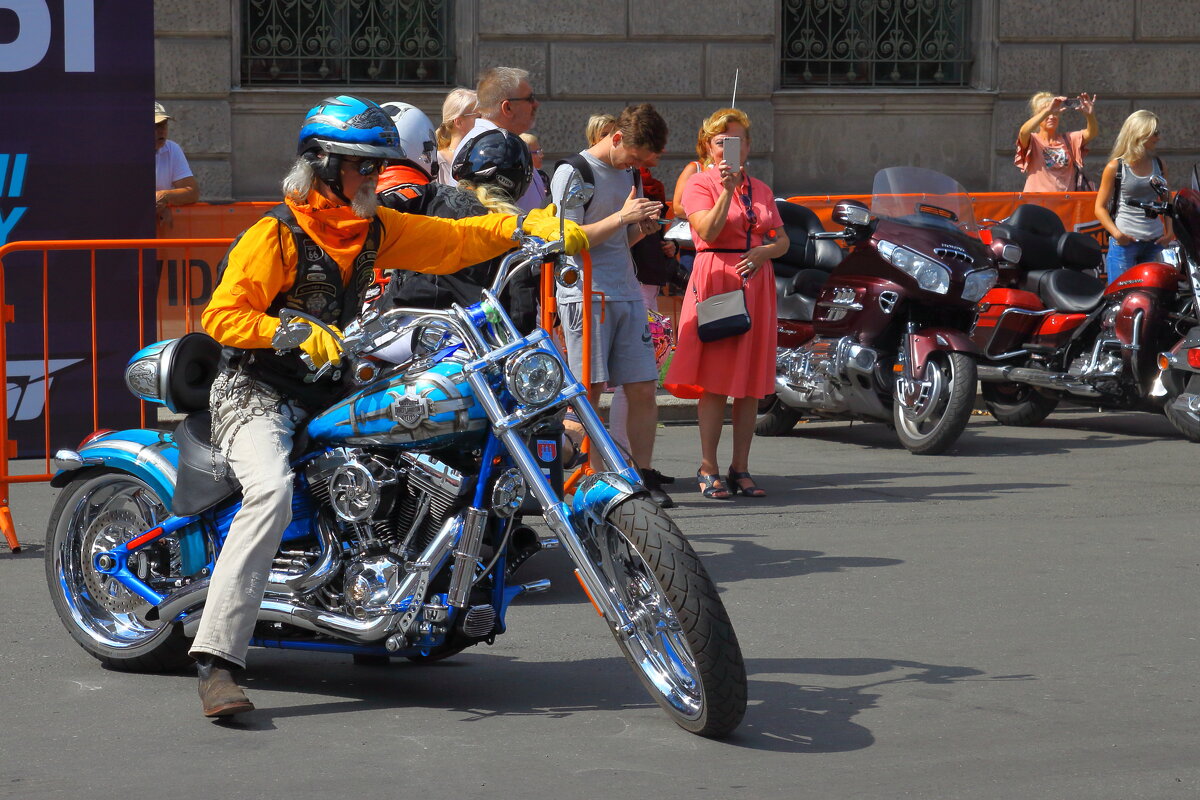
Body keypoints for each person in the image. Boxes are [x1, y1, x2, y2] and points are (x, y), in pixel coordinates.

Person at [190, 94, 585, 718]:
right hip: (256, 390)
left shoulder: (374, 229)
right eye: (363, 167)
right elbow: (221, 315)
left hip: (328, 383)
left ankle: (377, 607)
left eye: (379, 167)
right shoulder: (276, 235)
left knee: (409, 450)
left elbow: (452, 243)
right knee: (270, 490)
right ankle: (218, 660)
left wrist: (520, 227)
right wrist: (287, 331)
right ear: (323, 166)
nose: (375, 178)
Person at [550, 103, 674, 507]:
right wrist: (622, 219)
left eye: (641, 162)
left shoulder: (629, 173)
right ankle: (594, 479)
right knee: (591, 389)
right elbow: (566, 239)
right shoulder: (574, 172)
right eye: (634, 158)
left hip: (625, 288)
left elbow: (619, 240)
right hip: (586, 293)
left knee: (641, 388)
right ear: (616, 138)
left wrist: (641, 229)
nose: (635, 166)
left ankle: (640, 475)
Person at [664, 108, 789, 500]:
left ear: (748, 147)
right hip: (717, 277)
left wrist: (766, 251)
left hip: (756, 282)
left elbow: (783, 240)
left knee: (750, 386)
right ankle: (708, 467)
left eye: (736, 141)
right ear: (708, 146)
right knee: (716, 382)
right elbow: (708, 230)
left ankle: (741, 467)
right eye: (721, 141)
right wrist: (729, 191)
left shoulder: (763, 189)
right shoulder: (699, 184)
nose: (727, 148)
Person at [376, 101, 499, 309]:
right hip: (411, 322)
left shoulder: (344, 197)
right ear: (425, 149)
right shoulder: (441, 198)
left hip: (350, 324)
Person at [1094, 110, 1174, 284]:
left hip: (1156, 242)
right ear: (1141, 133)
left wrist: (1170, 234)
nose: (1158, 137)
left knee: (1156, 298)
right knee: (1122, 299)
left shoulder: (1159, 164)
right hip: (1125, 244)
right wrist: (1116, 234)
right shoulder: (1116, 167)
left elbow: (1167, 203)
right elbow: (1099, 207)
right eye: (1155, 133)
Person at [454, 66, 545, 212]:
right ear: (507, 108)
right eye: (530, 99)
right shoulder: (484, 149)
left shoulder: (504, 144)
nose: (536, 104)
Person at [1015, 91, 1098, 192]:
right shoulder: (1033, 140)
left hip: (1065, 204)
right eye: (1046, 113)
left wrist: (1090, 116)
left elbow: (1091, 133)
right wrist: (1048, 110)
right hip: (1036, 204)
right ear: (1037, 116)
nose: (1051, 116)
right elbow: (1023, 132)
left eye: (1055, 113)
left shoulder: (1069, 139)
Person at [154, 101, 199, 227]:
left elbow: (192, 192)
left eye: (164, 125)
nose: (161, 131)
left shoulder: (172, 149)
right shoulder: (124, 151)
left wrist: (165, 197)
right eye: (155, 126)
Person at [435, 88, 478, 186]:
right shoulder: (438, 162)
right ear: (458, 121)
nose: (483, 121)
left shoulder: (480, 157)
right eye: (478, 116)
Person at [519, 132, 549, 206]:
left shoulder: (543, 177)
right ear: (526, 154)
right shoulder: (517, 179)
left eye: (541, 151)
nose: (541, 155)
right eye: (538, 152)